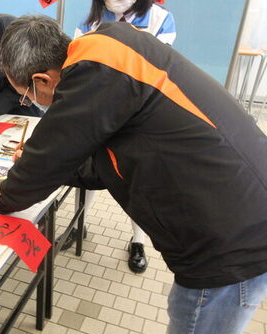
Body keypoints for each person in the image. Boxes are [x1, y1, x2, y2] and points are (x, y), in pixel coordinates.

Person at [0, 16, 267, 334]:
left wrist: (4, 197)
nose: (30, 103)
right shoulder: (108, 53)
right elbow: (106, 159)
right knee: (186, 310)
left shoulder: (95, 72)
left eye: (26, 96)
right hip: (241, 208)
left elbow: (47, 154)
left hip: (239, 238)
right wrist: (52, 166)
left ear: (42, 79)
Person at [64, 0, 177, 274]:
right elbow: (79, 63)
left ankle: (138, 241)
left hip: (140, 116)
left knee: (138, 181)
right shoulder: (90, 19)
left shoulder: (160, 19)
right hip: (98, 111)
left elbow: (155, 69)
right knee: (88, 170)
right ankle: (79, 225)